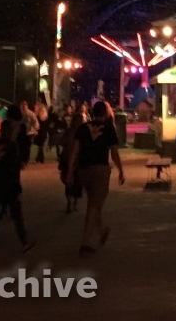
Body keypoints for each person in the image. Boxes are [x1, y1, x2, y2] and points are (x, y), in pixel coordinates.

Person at [65, 100, 124, 256]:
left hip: (84, 170)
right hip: (100, 169)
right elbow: (114, 152)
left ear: (92, 113)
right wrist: (121, 170)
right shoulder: (109, 129)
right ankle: (85, 242)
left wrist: (70, 170)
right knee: (94, 205)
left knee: (94, 203)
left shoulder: (83, 128)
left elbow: (75, 151)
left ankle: (101, 231)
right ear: (105, 114)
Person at [0, 114, 35, 257]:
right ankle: (24, 243)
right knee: (17, 215)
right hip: (9, 184)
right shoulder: (12, 146)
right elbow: (14, 168)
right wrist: (17, 186)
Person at [58, 109, 85, 212]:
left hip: (69, 159)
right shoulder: (81, 132)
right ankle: (73, 203)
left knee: (70, 182)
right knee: (76, 182)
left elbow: (61, 142)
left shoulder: (70, 131)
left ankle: (71, 203)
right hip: (75, 160)